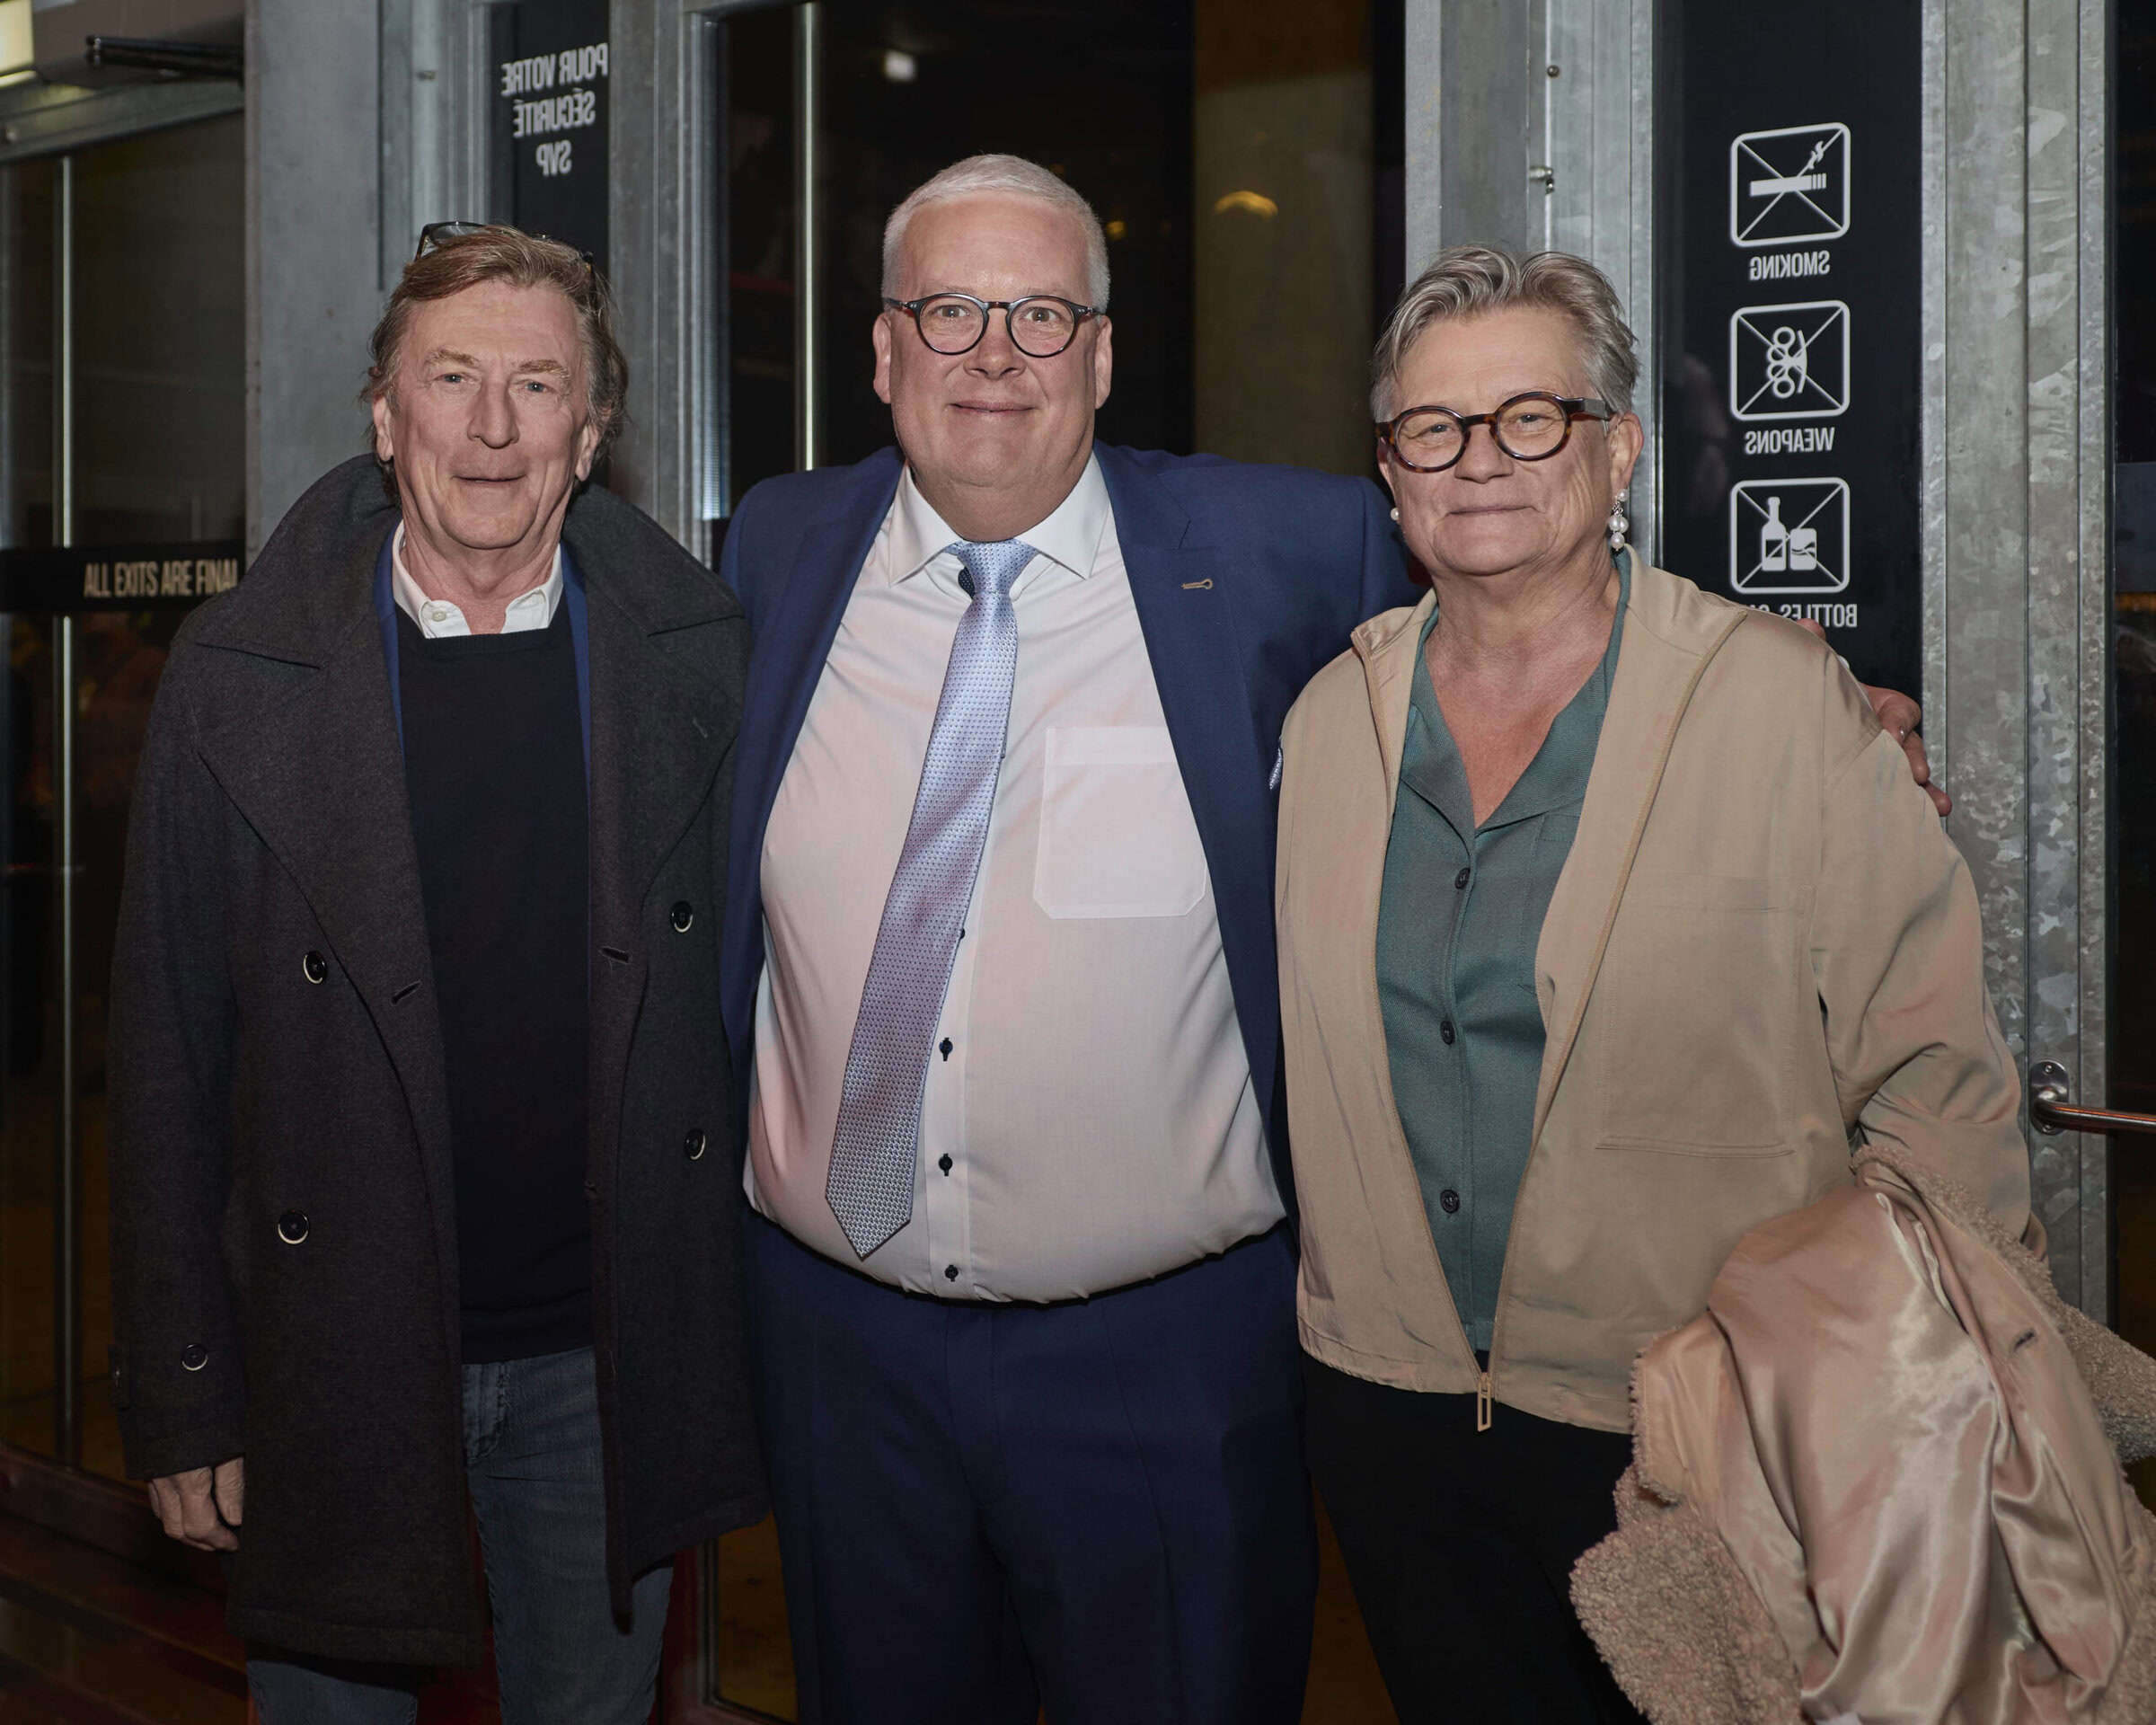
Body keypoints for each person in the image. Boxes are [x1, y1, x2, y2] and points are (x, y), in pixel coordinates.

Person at [719, 159, 1937, 1724]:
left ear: (1104, 353)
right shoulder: (779, 551)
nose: (995, 354)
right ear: (885, 351)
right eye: (950, 312)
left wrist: (1803, 714)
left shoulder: (1282, 548)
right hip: (839, 1358)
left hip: (1164, 1371)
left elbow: (1525, 593)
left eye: (1042, 314)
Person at [1273, 243, 2032, 1723]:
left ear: (1618, 448)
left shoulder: (1780, 704)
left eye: (1530, 416)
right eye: (1434, 426)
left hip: (1706, 1420)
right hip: (1390, 1419)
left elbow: (1939, 1088)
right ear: (1391, 472)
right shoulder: (1328, 721)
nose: (1479, 459)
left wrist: (1889, 1397)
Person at [107, 225, 763, 1724]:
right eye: (451, 378)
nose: (492, 428)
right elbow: (164, 1057)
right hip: (327, 1353)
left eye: (537, 386)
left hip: (601, 1363)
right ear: (384, 416)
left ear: (591, 433)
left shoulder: (699, 660)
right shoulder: (236, 676)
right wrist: (185, 1386)